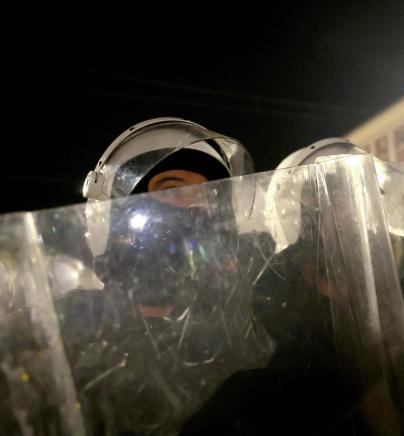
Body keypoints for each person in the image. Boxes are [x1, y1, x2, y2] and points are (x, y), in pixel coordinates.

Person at [63, 117, 270, 434]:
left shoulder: (241, 334)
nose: (196, 210)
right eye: (173, 192)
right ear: (116, 218)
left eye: (210, 197)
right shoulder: (68, 333)